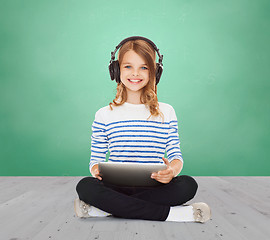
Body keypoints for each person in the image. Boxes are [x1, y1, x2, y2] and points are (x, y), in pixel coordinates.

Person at [74, 36, 211, 223]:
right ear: (116, 70)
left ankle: (104, 210)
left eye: (144, 67)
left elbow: (175, 155)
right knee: (85, 186)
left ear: (154, 72)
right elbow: (95, 161)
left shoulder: (167, 111)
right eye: (128, 66)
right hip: (116, 187)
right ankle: (174, 214)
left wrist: (171, 170)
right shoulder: (103, 114)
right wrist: (96, 169)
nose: (135, 73)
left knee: (188, 184)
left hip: (155, 187)